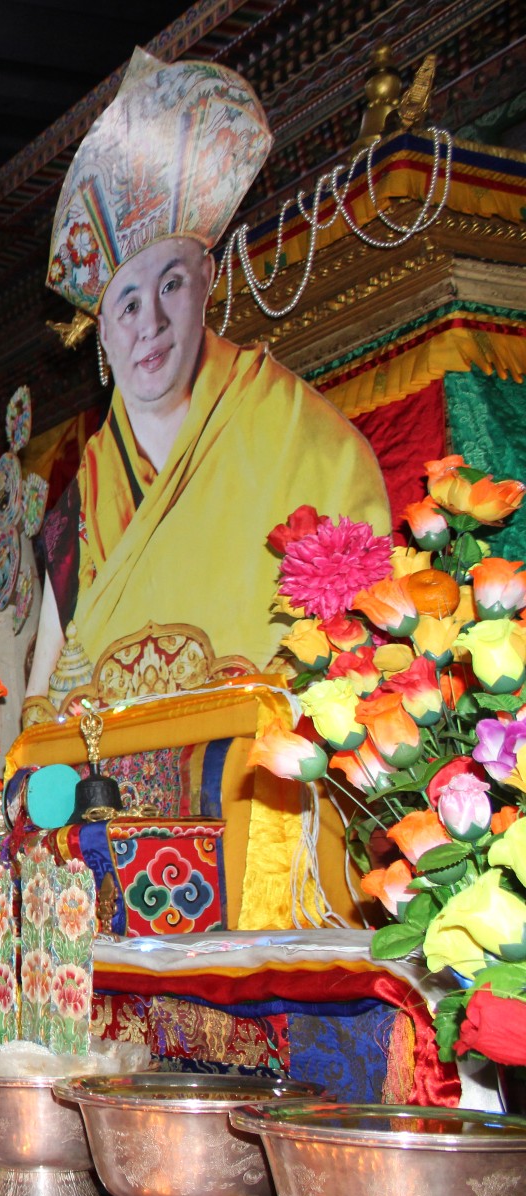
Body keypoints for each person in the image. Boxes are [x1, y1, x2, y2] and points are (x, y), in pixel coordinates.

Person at [27, 49, 390, 712]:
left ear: (209, 282)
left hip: (259, 774)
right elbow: (41, 695)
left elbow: (357, 625)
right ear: (101, 331)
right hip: (111, 790)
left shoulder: (289, 430)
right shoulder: (87, 495)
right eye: (127, 304)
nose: (152, 324)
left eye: (171, 285)